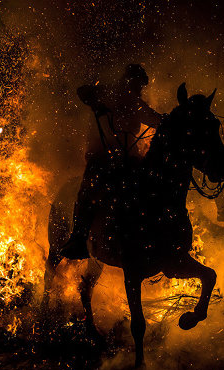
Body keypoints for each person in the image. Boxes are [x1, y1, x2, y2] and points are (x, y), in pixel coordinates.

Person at [60, 64, 163, 260]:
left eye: (140, 86)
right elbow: (82, 91)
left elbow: (155, 119)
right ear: (127, 80)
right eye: (137, 84)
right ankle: (78, 238)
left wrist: (172, 119)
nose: (139, 89)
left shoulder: (136, 104)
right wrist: (97, 102)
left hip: (128, 158)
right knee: (90, 190)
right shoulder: (107, 93)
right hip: (101, 156)